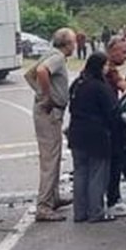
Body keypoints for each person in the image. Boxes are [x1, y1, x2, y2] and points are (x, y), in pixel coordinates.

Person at [27, 28, 76, 222]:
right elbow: (40, 72)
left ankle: (53, 197)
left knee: (53, 156)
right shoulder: (56, 58)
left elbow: (29, 75)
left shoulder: (50, 54)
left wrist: (39, 93)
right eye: (73, 42)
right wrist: (46, 97)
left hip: (48, 111)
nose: (76, 45)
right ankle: (44, 206)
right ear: (67, 44)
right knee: (50, 158)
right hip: (50, 112)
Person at [66, 52, 121, 223]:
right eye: (105, 65)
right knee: (97, 174)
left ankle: (80, 212)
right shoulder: (99, 86)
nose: (106, 68)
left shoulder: (77, 84)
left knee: (80, 173)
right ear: (100, 66)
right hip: (96, 135)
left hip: (76, 133)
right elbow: (113, 110)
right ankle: (96, 211)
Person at [103, 37, 126, 218]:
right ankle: (113, 200)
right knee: (115, 160)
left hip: (100, 120)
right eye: (123, 52)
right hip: (109, 122)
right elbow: (124, 88)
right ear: (112, 51)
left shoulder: (105, 67)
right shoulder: (109, 70)